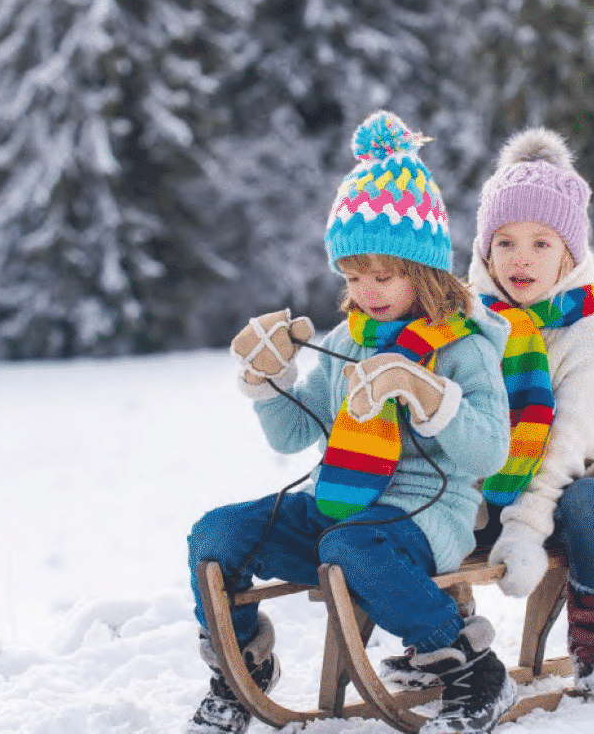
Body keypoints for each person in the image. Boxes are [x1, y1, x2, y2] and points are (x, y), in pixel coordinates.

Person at [186, 111, 518, 734]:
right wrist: (269, 381)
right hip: (339, 505)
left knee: (351, 546)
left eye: (384, 275)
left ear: (424, 268)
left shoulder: (464, 347)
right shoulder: (350, 339)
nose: (368, 291)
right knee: (217, 535)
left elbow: (489, 454)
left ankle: (476, 672)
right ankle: (244, 669)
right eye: (354, 276)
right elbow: (293, 435)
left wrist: (429, 394)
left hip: (426, 515)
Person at [383, 126, 594, 700]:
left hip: (575, 470)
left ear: (570, 254)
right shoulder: (469, 326)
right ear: (483, 249)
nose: (520, 260)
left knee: (589, 508)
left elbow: (563, 446)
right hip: (491, 475)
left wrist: (527, 528)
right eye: (505, 243)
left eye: (541, 244)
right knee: (433, 499)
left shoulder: (587, 338)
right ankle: (441, 642)